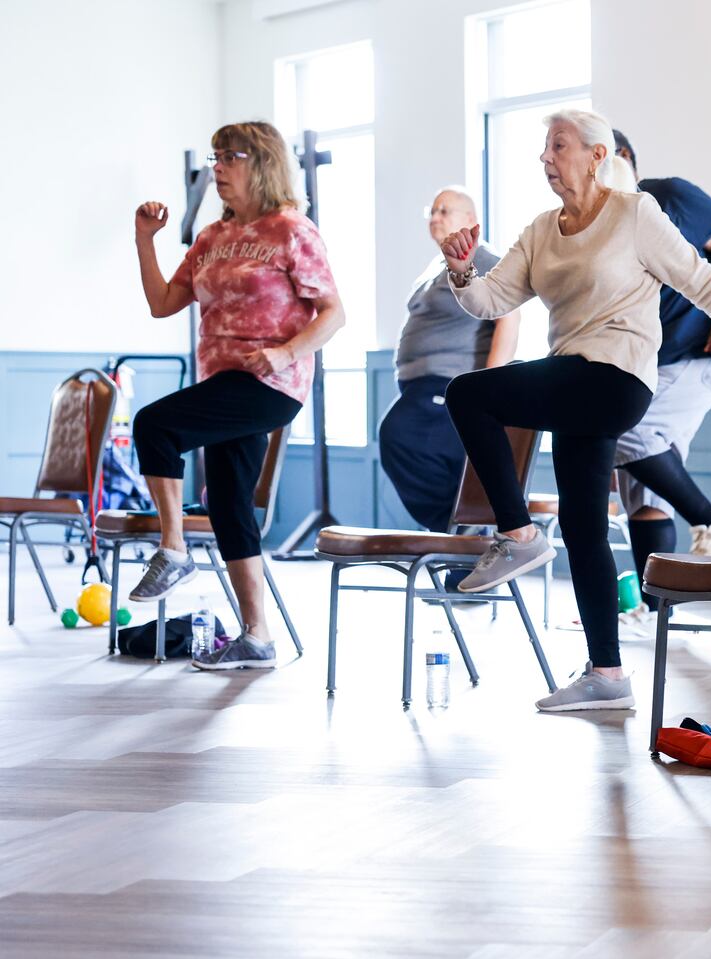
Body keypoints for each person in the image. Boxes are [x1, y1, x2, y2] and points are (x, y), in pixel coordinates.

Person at [439, 109, 711, 712]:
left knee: (468, 394)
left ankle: (518, 534)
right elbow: (491, 299)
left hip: (617, 376)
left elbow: (702, 281)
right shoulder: (541, 230)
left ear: (597, 155)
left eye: (558, 146)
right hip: (575, 383)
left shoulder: (636, 214)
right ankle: (607, 673)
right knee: (583, 529)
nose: (546, 157)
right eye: (544, 148)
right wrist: (461, 267)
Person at [129, 121, 345, 670]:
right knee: (228, 504)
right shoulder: (211, 237)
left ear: (263, 163)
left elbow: (334, 313)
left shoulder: (292, 230)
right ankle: (257, 637)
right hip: (221, 382)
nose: (218, 168)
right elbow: (162, 303)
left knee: (155, 424)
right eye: (216, 157)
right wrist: (145, 240)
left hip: (270, 382)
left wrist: (284, 353)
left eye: (230, 157)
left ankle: (174, 549)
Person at [608, 129, 711, 579]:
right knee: (643, 495)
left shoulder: (671, 196)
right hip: (644, 366)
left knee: (624, 430)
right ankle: (653, 610)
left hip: (700, 352)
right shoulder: (601, 224)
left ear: (622, 156)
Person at [379, 187, 519, 534]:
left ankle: (463, 526)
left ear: (470, 220)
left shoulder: (483, 258)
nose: (436, 217)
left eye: (445, 211)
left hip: (450, 382)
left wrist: (489, 383)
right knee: (422, 449)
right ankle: (460, 531)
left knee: (398, 435)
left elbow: (509, 315)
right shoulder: (436, 265)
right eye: (433, 210)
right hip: (422, 384)